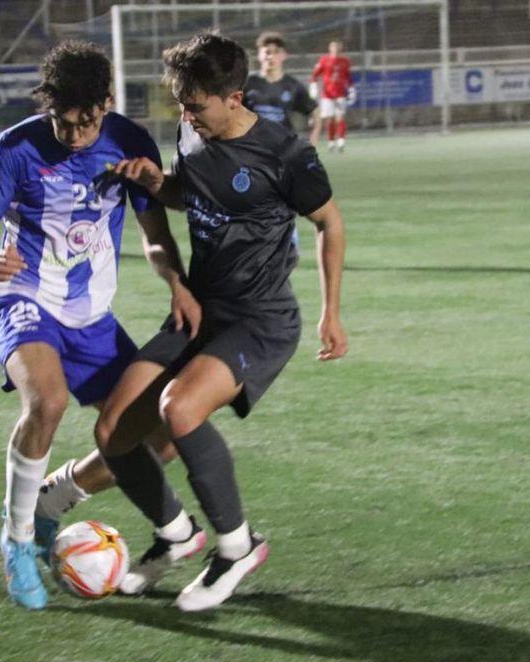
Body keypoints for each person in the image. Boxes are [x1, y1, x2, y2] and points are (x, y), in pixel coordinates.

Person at [96, 32, 348, 612]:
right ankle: (175, 535)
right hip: (200, 309)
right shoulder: (193, 130)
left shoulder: (285, 154)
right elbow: (194, 193)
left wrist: (332, 313)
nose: (187, 115)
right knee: (113, 432)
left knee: (178, 408)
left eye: (197, 105)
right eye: (182, 104)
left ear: (234, 97)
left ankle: (237, 546)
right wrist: (159, 184)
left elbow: (329, 223)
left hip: (260, 318)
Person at [0, 41, 194, 611]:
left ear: (107, 103)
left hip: (92, 317)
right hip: (23, 297)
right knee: (49, 403)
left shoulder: (129, 141)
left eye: (87, 123)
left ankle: (53, 500)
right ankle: (16, 543)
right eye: (65, 123)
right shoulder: (15, 146)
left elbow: (153, 233)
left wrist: (176, 282)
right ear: (50, 107)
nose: (77, 135)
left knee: (161, 435)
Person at [243, 32, 319, 140]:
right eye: (267, 52)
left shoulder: (293, 86)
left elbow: (315, 112)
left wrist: (312, 143)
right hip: (253, 149)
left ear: (284, 55)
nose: (271, 56)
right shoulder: (246, 83)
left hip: (284, 151)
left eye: (276, 52)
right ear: (259, 55)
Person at [310, 39, 354, 152]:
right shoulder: (324, 60)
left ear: (340, 49)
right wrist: (313, 87)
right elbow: (315, 75)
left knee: (340, 117)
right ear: (330, 49)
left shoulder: (345, 61)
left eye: (337, 48)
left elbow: (348, 77)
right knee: (330, 119)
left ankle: (341, 141)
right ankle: (331, 141)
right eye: (333, 48)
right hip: (327, 94)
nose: (335, 50)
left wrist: (352, 89)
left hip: (340, 94)